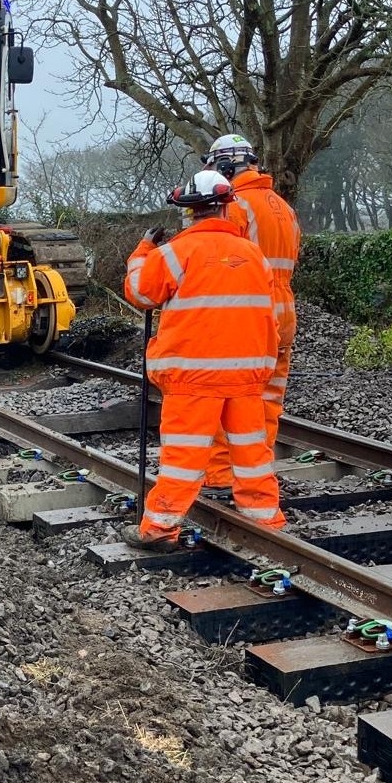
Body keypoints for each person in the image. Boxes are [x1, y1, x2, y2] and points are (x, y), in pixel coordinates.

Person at [121, 170, 285, 551]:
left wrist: (142, 252)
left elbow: (140, 292)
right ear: (226, 208)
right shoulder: (254, 256)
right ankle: (266, 523)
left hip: (193, 378)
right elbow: (269, 317)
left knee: (183, 457)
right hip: (246, 377)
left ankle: (159, 528)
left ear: (190, 212)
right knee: (253, 454)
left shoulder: (175, 253)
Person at [200, 133, 302, 492]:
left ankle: (221, 475)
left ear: (225, 166)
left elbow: (220, 264)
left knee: (228, 397)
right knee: (268, 401)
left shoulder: (235, 206)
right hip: (283, 313)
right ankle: (256, 471)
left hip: (248, 315)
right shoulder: (284, 208)